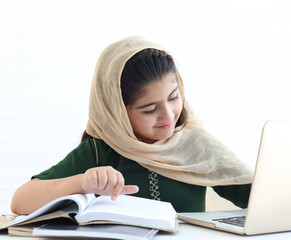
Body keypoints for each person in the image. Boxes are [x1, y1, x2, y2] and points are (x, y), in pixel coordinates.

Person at [11, 36, 253, 215]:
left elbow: (260, 200)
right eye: (150, 109)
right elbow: (20, 202)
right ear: (116, 112)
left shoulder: (196, 145)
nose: (168, 116)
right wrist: (82, 183)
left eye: (173, 98)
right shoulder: (100, 151)